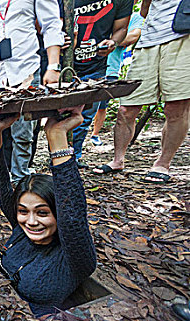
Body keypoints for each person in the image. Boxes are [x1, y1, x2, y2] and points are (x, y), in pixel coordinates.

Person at [0, 106, 97, 316]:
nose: (31, 221)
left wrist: (56, 137)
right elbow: (0, 186)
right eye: (23, 211)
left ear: (58, 212)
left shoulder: (75, 258)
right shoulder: (21, 229)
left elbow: (73, 217)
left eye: (42, 212)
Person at [0, 0, 65, 195]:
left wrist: (53, 65)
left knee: (23, 133)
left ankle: (20, 178)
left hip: (25, 72)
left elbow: (51, 23)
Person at [94, 0, 189, 184]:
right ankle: (117, 159)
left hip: (183, 37)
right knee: (126, 108)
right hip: (149, 41)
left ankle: (163, 163)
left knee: (175, 107)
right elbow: (144, 11)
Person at [72, 0, 133, 167]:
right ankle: (58, 156)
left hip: (96, 65)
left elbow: (121, 28)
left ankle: (74, 157)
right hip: (65, 64)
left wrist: (113, 42)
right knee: (59, 113)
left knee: (85, 115)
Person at [90, 6, 143, 147]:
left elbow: (133, 36)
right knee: (83, 107)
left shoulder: (135, 17)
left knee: (102, 106)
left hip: (111, 69)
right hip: (90, 66)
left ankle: (94, 134)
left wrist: (113, 39)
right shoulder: (101, 10)